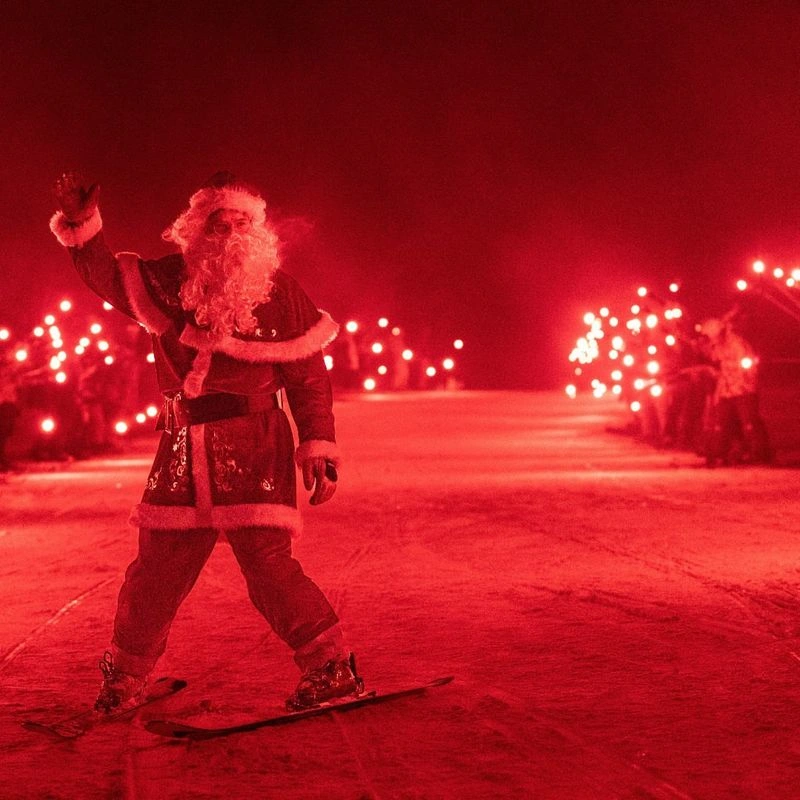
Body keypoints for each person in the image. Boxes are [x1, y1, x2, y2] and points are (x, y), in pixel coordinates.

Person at [50, 171, 364, 713]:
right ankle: (124, 678)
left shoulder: (283, 294)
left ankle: (330, 665)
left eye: (241, 222)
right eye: (219, 223)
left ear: (256, 231)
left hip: (256, 446)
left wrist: (319, 444)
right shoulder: (167, 282)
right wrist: (82, 226)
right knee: (157, 568)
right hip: (181, 449)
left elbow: (308, 377)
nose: (230, 233)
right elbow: (104, 273)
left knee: (268, 566)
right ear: (197, 230)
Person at [697, 317, 772, 467]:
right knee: (721, 424)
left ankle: (759, 454)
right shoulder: (717, 345)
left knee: (749, 423)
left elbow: (748, 365)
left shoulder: (737, 344)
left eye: (710, 337)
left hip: (744, 389)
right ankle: (720, 454)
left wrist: (745, 381)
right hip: (726, 390)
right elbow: (713, 358)